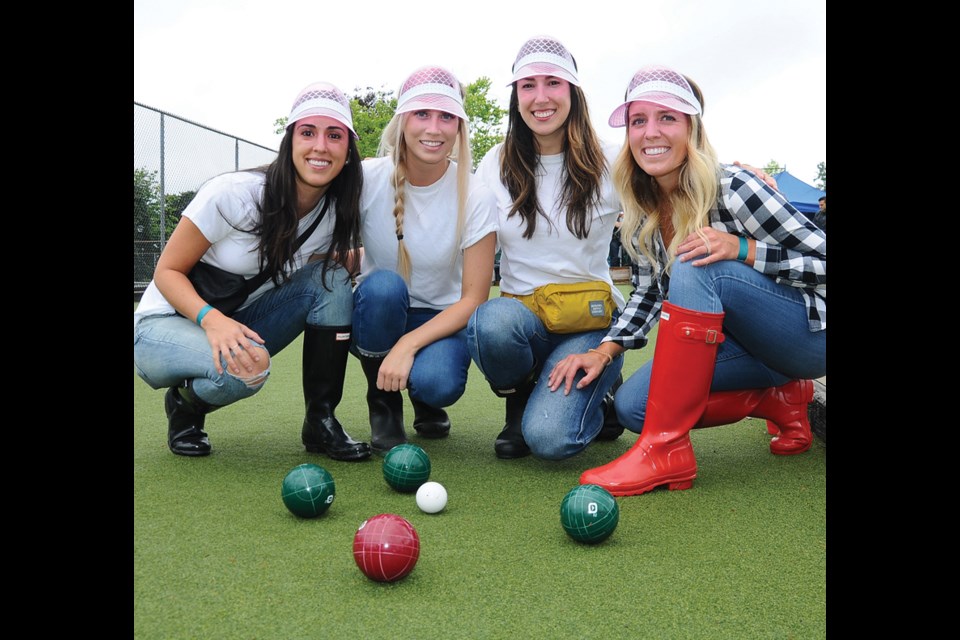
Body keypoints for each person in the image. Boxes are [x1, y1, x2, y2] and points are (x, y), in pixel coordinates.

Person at [548, 65, 826, 496]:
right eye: (638, 121)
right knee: (634, 407)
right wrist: (603, 352)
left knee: (697, 259)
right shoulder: (639, 205)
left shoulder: (735, 186)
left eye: (667, 118)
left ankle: (666, 453)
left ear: (692, 130)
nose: (651, 132)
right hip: (747, 347)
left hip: (808, 335)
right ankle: (778, 398)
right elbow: (646, 295)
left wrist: (745, 250)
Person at [133, 81, 372, 461]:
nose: (320, 146)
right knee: (250, 367)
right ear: (290, 141)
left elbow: (327, 269)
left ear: (348, 148)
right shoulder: (234, 193)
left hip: (237, 317)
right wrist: (212, 321)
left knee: (332, 278)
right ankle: (185, 405)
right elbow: (167, 272)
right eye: (308, 132)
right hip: (161, 325)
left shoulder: (334, 210)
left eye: (334, 135)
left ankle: (321, 419)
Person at [466, 35, 628, 461]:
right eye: (527, 85)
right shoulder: (495, 162)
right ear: (516, 96)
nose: (541, 97)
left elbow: (674, 184)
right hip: (525, 323)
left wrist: (731, 171)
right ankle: (518, 403)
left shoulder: (613, 159)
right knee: (489, 324)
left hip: (589, 323)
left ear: (573, 91)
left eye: (553, 83)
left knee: (551, 441)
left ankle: (601, 388)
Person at [352, 66, 498, 453]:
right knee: (383, 286)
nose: (434, 128)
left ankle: (424, 399)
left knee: (438, 384)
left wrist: (408, 345)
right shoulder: (366, 177)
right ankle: (383, 403)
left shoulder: (476, 194)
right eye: (422, 114)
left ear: (459, 127)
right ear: (402, 120)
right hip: (381, 312)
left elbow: (473, 299)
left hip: (440, 318)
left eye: (446, 116)